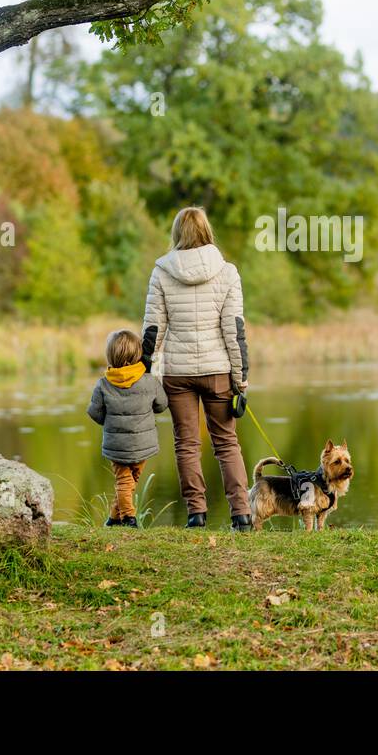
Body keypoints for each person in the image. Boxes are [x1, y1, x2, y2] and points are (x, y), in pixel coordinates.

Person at [142, 207, 252, 531]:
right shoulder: (227, 271)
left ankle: (196, 514)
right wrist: (240, 380)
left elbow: (152, 331)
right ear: (207, 231)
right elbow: (234, 330)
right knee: (227, 443)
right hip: (219, 371)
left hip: (178, 373)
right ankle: (242, 515)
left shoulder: (161, 272)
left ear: (177, 233)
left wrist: (145, 374)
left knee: (186, 444)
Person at [87, 329, 167, 528]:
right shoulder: (149, 381)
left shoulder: (103, 384)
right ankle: (129, 519)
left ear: (110, 356)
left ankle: (114, 518)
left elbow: (94, 413)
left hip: (116, 446)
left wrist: (112, 422)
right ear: (137, 355)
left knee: (125, 481)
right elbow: (161, 405)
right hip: (143, 445)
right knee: (129, 481)